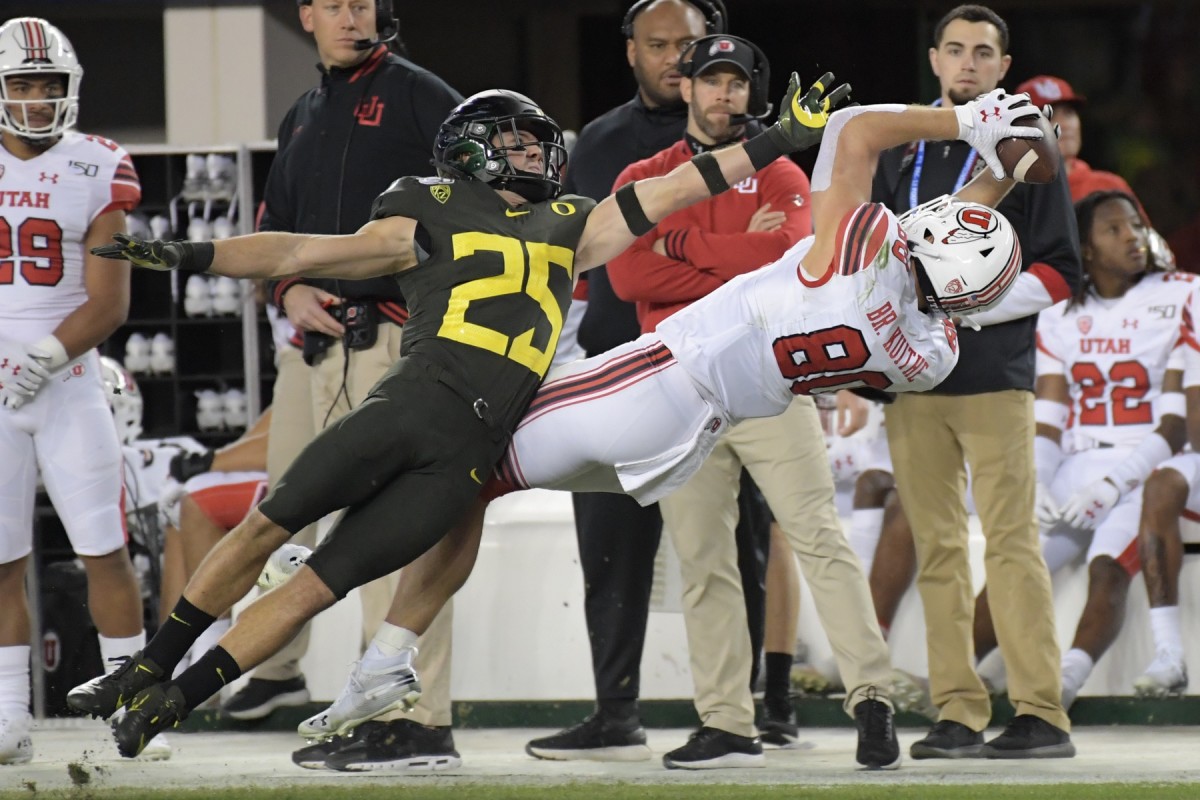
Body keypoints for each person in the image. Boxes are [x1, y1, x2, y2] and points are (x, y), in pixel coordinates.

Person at [68, 71, 855, 759]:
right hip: (409, 406)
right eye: (514, 141)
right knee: (266, 529)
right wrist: (196, 256)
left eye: (535, 142)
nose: (532, 154)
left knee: (320, 586)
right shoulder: (428, 207)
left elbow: (683, 185)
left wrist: (781, 137)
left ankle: (174, 700)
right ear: (470, 149)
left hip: (470, 453)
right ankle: (147, 663)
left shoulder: (575, 223)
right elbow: (303, 253)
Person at [282, 86, 1047, 773]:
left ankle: (327, 567)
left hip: (662, 378)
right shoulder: (931, 352)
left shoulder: (857, 247)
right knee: (482, 483)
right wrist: (1002, 173)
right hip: (708, 421)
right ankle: (385, 653)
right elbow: (946, 255)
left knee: (459, 451)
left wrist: (973, 121)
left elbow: (854, 131)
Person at [602, 31, 869, 768]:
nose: (724, 94)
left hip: (769, 374)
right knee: (701, 559)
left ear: (753, 94)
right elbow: (626, 280)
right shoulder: (643, 172)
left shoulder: (783, 173)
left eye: (737, 83)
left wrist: (676, 248)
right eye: (710, 81)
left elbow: (787, 263)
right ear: (684, 87)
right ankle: (725, 721)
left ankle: (870, 696)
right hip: (681, 386)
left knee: (817, 535)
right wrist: (731, 263)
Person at [530, 0, 776, 765]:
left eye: (691, 45)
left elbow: (780, 259)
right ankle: (615, 711)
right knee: (607, 544)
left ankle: (758, 707)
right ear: (630, 50)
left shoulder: (757, 143)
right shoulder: (598, 144)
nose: (677, 58)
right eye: (660, 44)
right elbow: (584, 259)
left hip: (732, 370)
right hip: (614, 363)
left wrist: (671, 244)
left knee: (743, 547)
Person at [231, 0, 466, 773]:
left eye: (361, 2)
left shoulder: (419, 93)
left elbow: (476, 208)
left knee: (394, 531)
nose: (348, 15)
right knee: (280, 516)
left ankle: (414, 720)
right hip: (312, 349)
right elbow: (278, 225)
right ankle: (275, 670)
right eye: (332, 3)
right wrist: (285, 292)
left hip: (395, 340)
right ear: (305, 15)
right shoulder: (302, 112)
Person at [870, 4, 1082, 759]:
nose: (967, 63)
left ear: (1002, 65)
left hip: (994, 373)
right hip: (914, 380)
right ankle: (956, 711)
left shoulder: (1031, 146)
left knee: (1013, 544)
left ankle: (1041, 713)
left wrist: (967, 305)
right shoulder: (899, 147)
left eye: (982, 53)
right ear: (934, 60)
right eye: (954, 50)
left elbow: (1062, 269)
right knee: (936, 548)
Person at [0, 17, 156, 766]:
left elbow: (111, 301)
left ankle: (133, 704)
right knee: (0, 559)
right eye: (22, 85)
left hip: (67, 382)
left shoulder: (98, 166)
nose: (35, 101)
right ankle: (7, 717)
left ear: (72, 89)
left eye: (48, 86)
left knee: (103, 545)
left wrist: (51, 351)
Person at [971, 190, 1191, 707]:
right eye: (1113, 230)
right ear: (1085, 249)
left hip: (1147, 459)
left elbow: (1178, 421)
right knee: (1018, 561)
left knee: (1107, 564)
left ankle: (1064, 681)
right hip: (1077, 460)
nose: (1131, 237)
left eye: (1135, 225)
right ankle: (959, 673)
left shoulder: (1182, 293)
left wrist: (1116, 483)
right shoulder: (1061, 313)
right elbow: (1047, 418)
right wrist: (1040, 481)